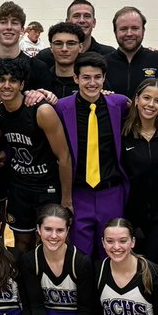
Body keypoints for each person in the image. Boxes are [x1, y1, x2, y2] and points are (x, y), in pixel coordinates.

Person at [0, 57, 72, 253]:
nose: (6, 85)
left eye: (13, 80)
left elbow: (64, 157)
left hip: (47, 187)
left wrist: (67, 199)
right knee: (22, 244)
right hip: (19, 187)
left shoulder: (42, 111)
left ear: (22, 84)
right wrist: (3, 153)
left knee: (50, 243)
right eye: (1, 80)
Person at [53, 53, 131, 257]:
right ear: (76, 78)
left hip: (111, 191)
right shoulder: (61, 107)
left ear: (104, 78)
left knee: (112, 251)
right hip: (79, 192)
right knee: (80, 254)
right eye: (86, 77)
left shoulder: (120, 104)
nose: (92, 83)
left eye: (97, 77)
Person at [120, 79, 158, 265]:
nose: (151, 104)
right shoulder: (122, 134)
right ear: (136, 99)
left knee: (153, 264)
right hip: (130, 214)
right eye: (146, 98)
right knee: (132, 265)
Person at [104, 6, 158, 99]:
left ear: (143, 30)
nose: (129, 33)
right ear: (115, 31)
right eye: (123, 29)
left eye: (135, 28)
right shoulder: (104, 63)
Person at [0, 1, 50, 89]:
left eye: (14, 23)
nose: (9, 27)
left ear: (22, 30)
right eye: (3, 22)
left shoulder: (37, 68)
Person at [34, 0, 116, 66]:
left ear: (94, 22)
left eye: (87, 16)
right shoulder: (44, 58)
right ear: (67, 22)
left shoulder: (108, 55)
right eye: (76, 16)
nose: (82, 20)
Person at [41, 22, 84, 98]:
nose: (64, 49)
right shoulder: (41, 80)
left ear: (80, 47)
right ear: (51, 47)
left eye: (71, 44)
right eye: (58, 43)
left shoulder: (88, 83)